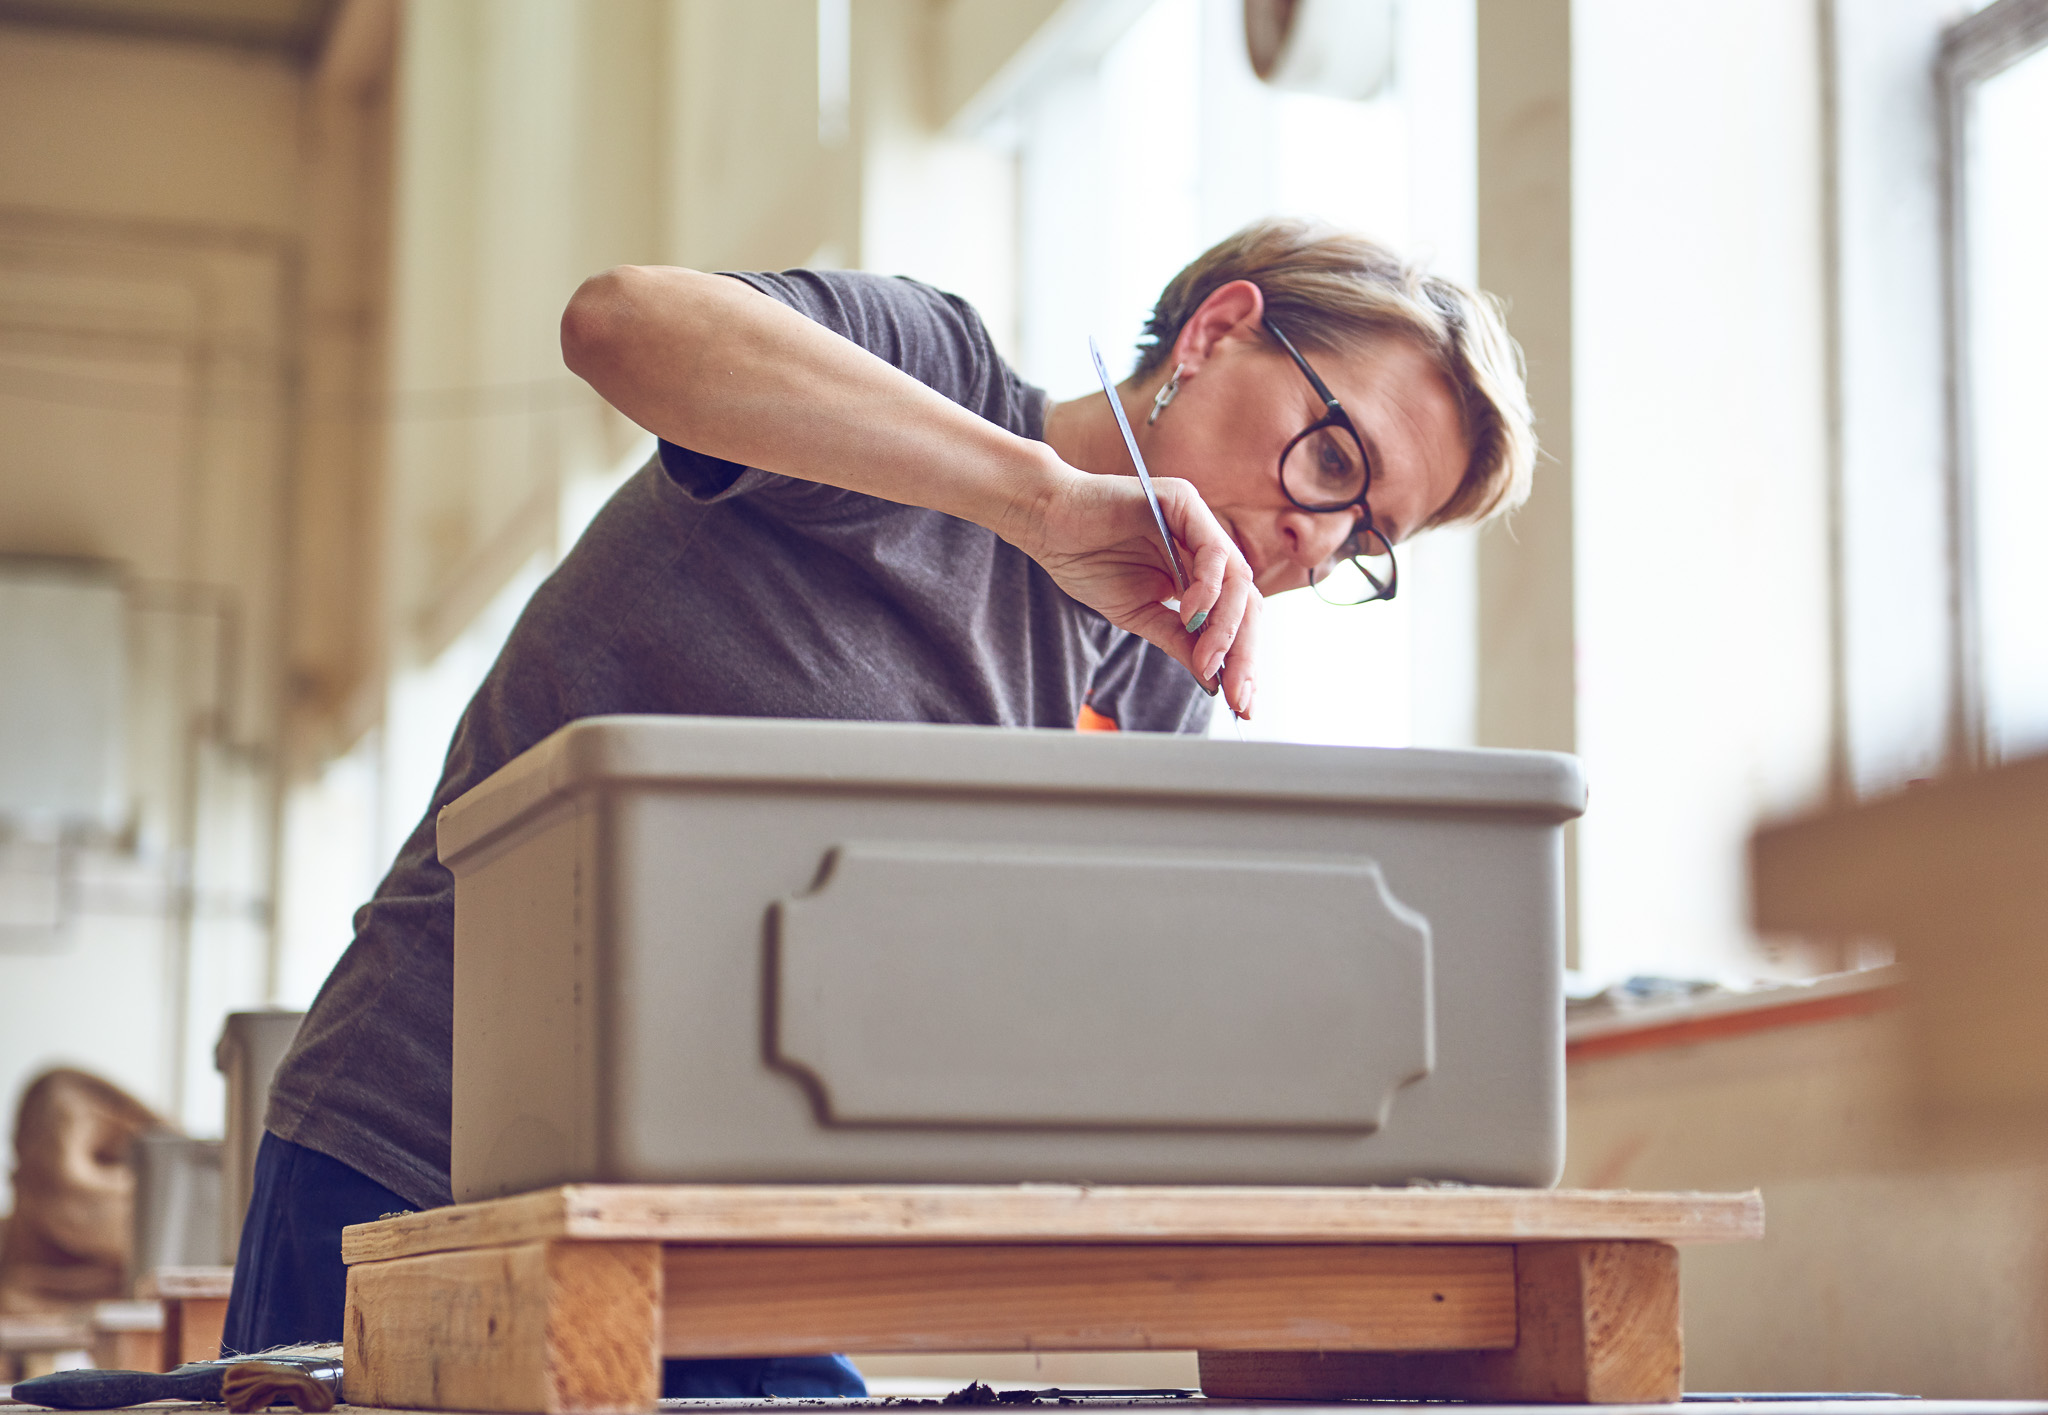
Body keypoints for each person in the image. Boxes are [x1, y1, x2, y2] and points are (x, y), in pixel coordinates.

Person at [221, 218, 1535, 1395]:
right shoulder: (941, 379)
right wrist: (1036, 501)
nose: (1321, 539)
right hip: (425, 1167)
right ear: (1216, 330)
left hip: (725, 1250)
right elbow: (618, 323)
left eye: (1370, 536)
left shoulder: (1157, 681)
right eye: (1333, 459)